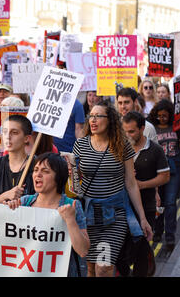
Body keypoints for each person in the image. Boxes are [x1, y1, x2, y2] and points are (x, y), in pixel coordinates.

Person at [72, 100, 152, 277]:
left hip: (114, 216)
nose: (93, 120)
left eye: (98, 116)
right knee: (91, 268)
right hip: (87, 215)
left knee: (104, 266)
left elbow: (131, 183)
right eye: (90, 116)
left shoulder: (122, 146)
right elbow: (75, 183)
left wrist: (143, 218)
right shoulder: (81, 145)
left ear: (110, 120)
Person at [6, 152, 90, 277]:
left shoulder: (72, 205)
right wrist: (10, 211)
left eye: (45, 171)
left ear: (58, 177)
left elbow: (83, 251)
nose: (38, 174)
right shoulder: (24, 203)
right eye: (35, 170)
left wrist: (70, 220)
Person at [118, 111, 169, 276]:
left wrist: (141, 185)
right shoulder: (118, 148)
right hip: (121, 207)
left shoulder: (155, 150)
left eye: (131, 131)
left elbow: (164, 176)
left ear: (142, 128)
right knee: (121, 251)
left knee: (140, 249)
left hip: (146, 207)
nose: (128, 135)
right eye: (125, 131)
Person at [147, 99, 180, 249]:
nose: (162, 118)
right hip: (156, 169)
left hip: (173, 167)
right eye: (159, 116)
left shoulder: (176, 127)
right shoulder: (152, 127)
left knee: (171, 203)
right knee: (157, 203)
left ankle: (170, 236)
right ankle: (158, 230)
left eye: (165, 115)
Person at [0, 115, 35, 203]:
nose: (8, 136)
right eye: (4, 132)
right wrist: (6, 195)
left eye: (14, 132)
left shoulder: (37, 165)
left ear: (27, 138)